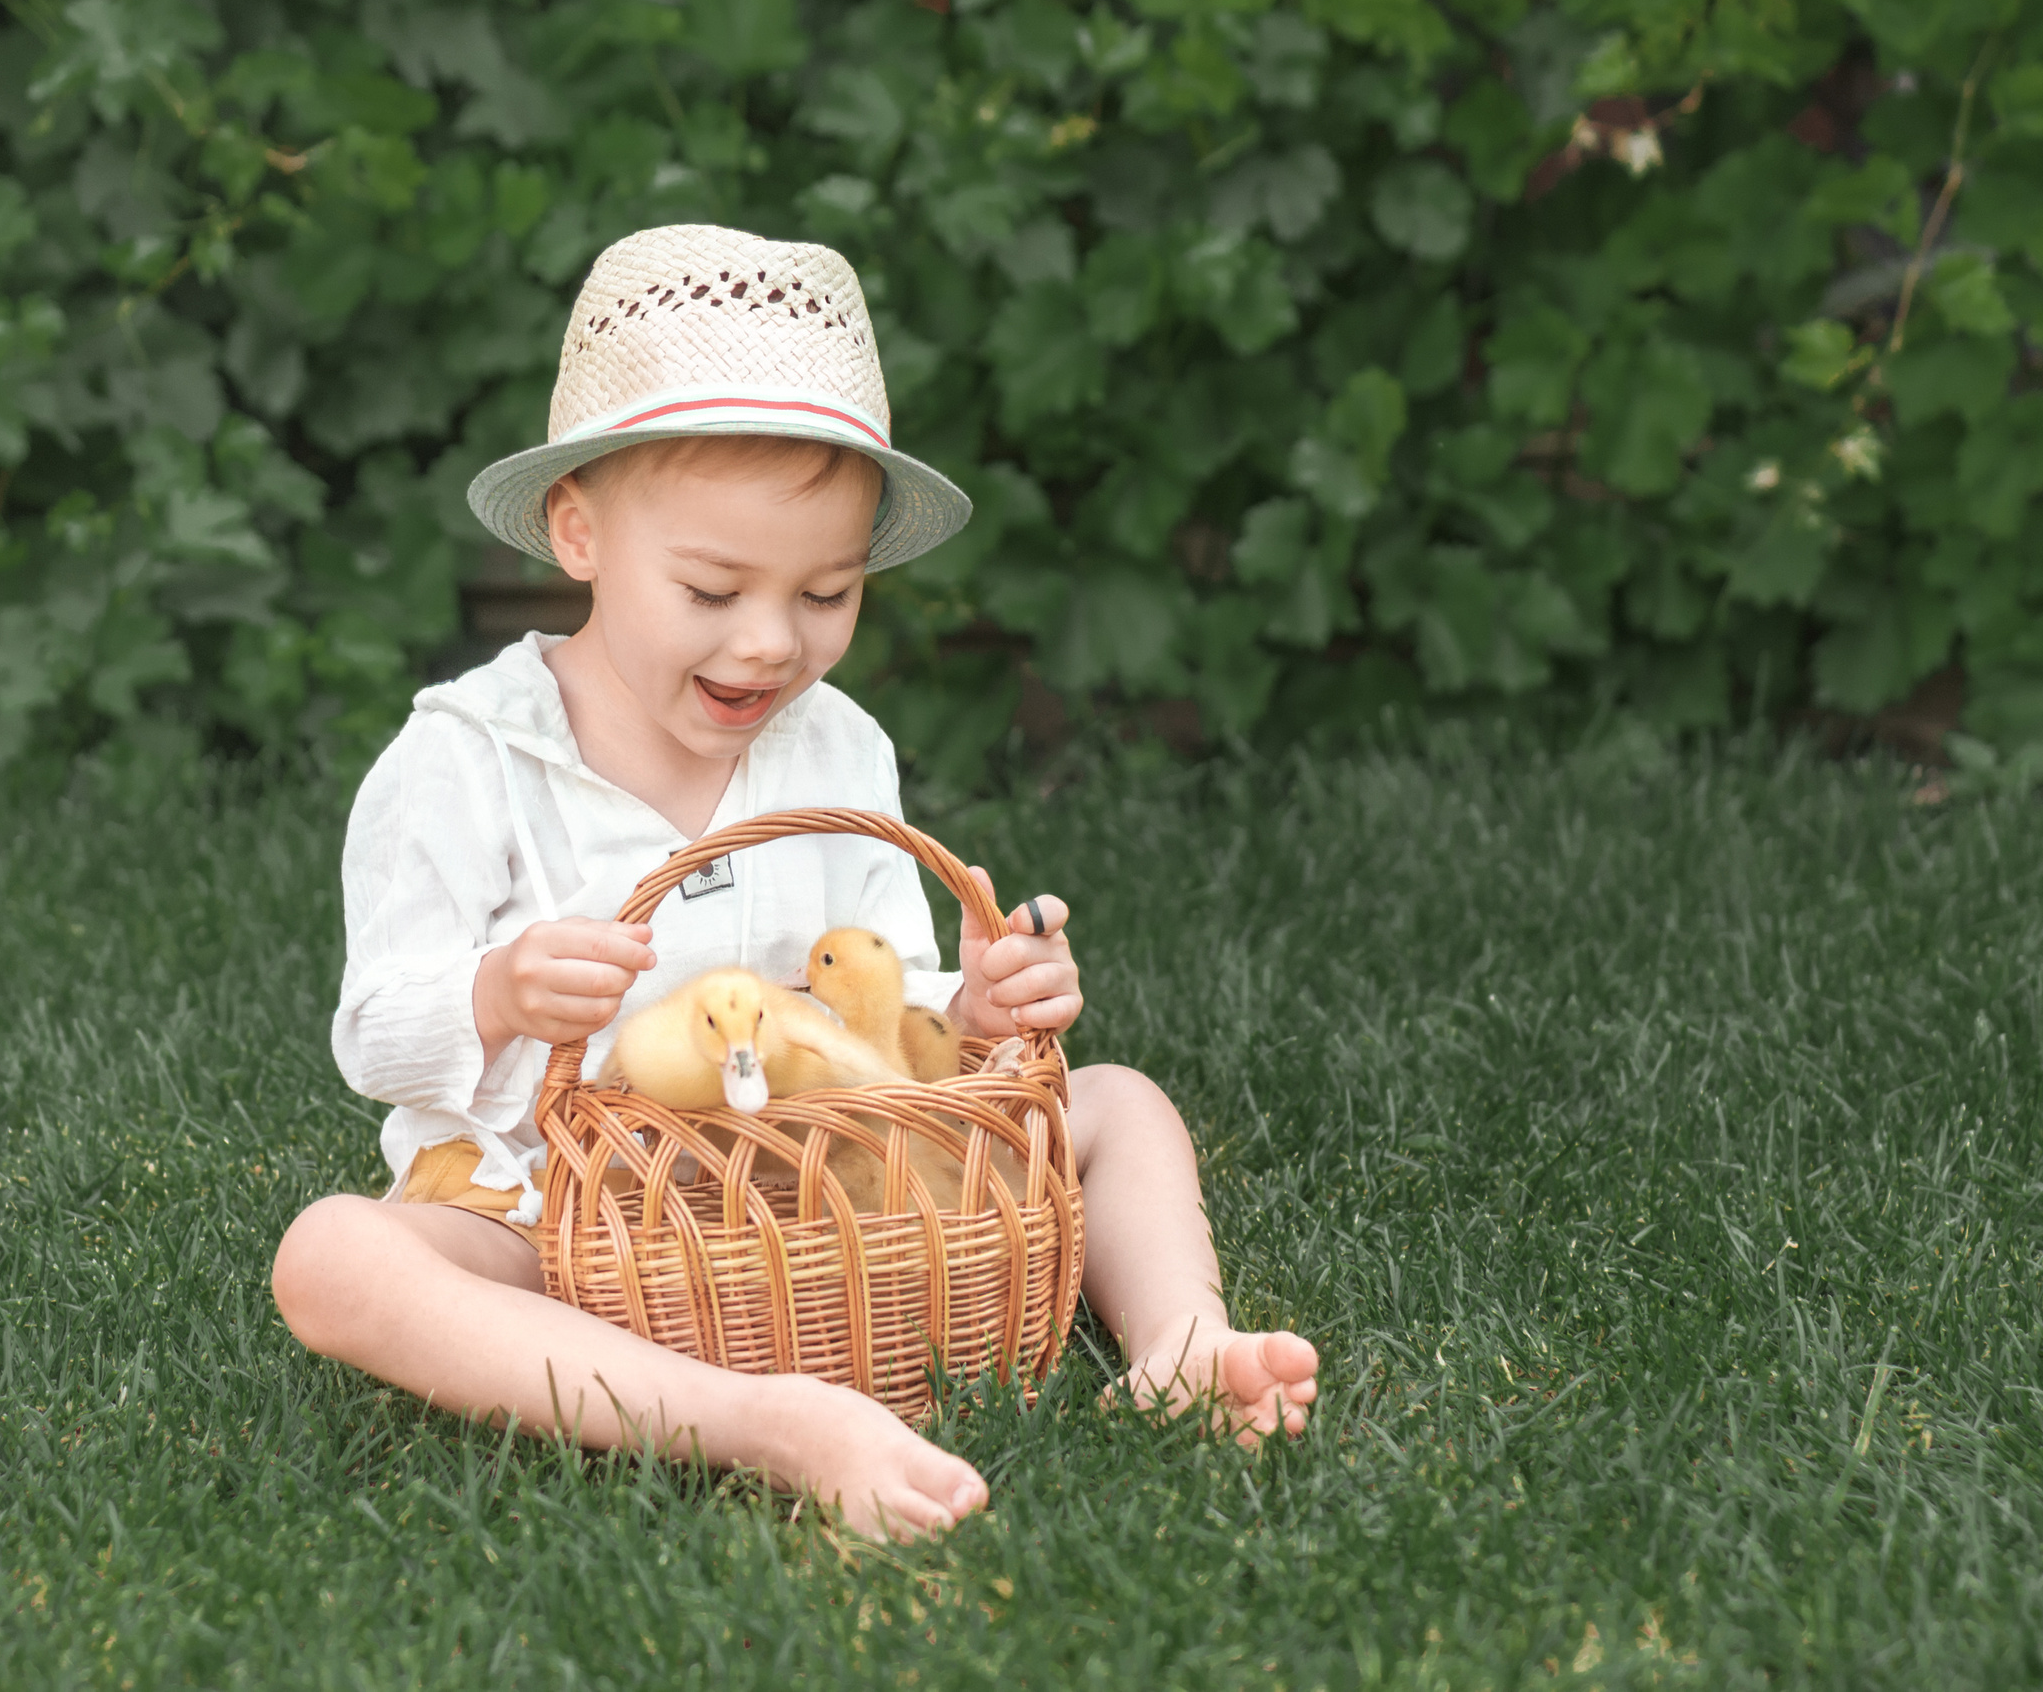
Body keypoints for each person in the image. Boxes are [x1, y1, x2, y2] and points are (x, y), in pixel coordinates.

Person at [270, 224, 1320, 1540]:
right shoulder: (466, 761)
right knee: (334, 1256)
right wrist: (496, 992)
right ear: (578, 530)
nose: (771, 642)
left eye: (828, 592)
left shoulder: (836, 745)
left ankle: (1180, 1342)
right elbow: (373, 1037)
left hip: (823, 1194)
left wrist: (981, 1015)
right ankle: (762, 1421)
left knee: (1116, 1100)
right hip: (562, 1227)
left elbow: (884, 1000)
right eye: (712, 588)